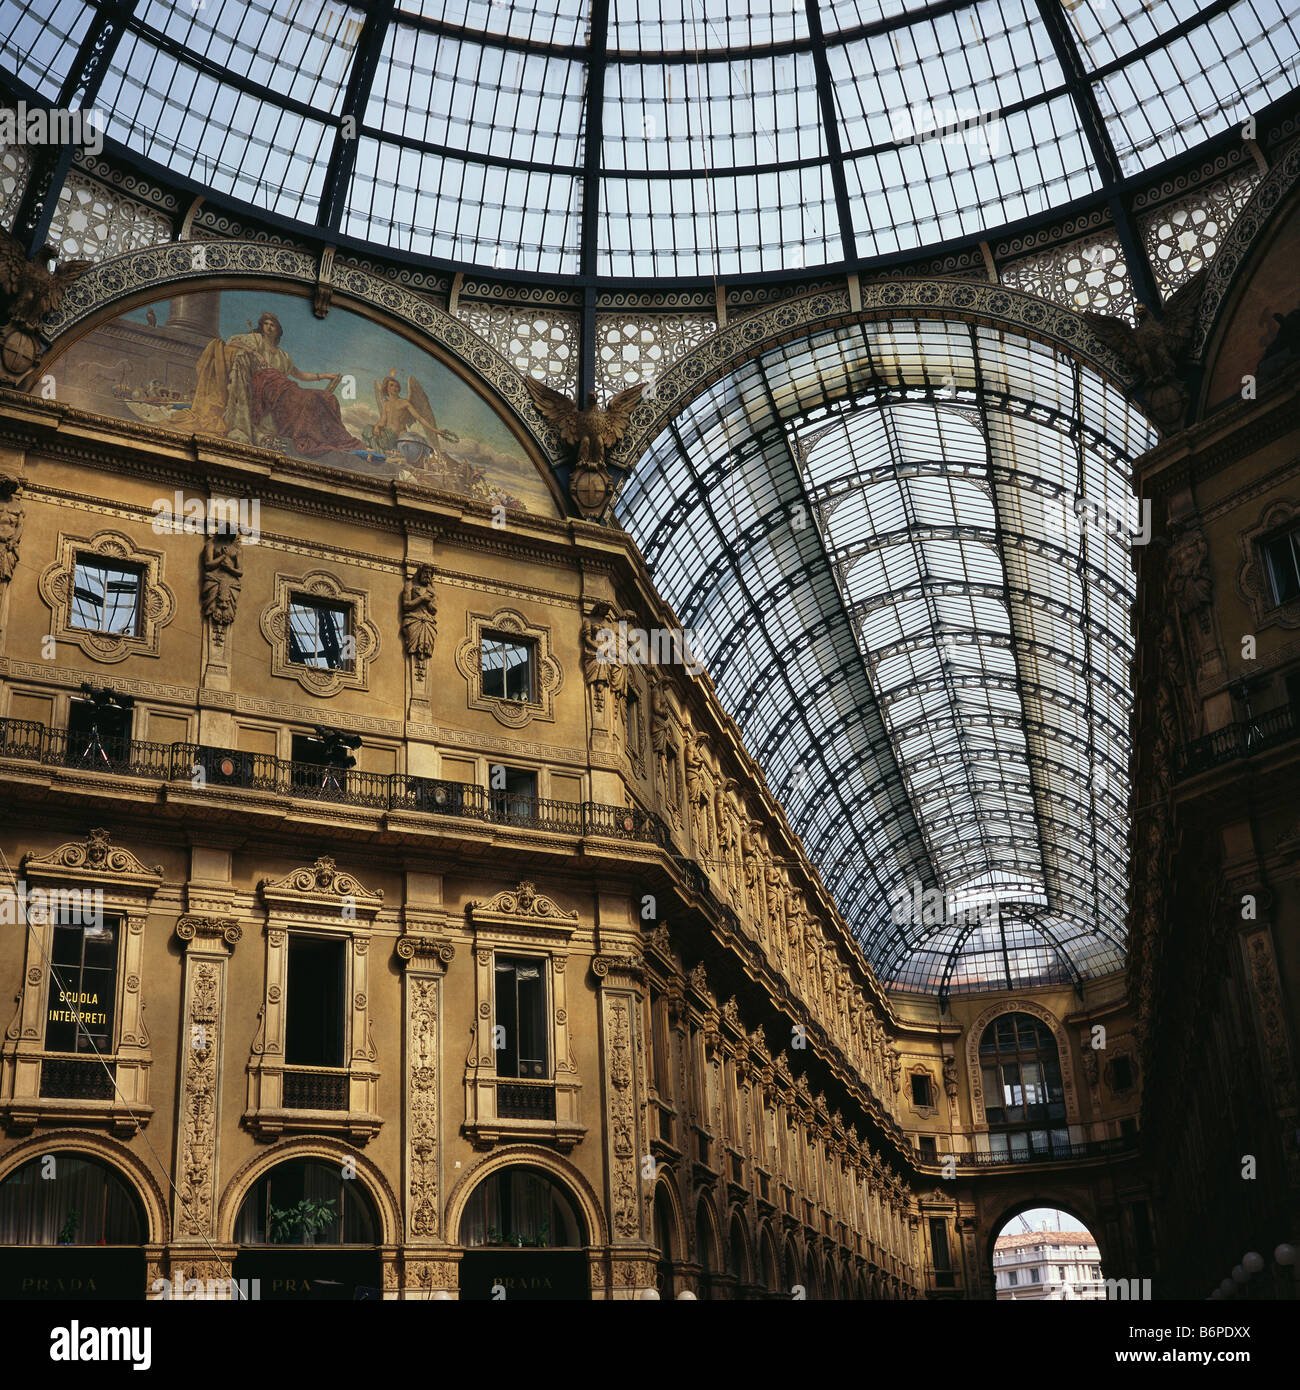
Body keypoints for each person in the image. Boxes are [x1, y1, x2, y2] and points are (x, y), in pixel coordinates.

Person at [181, 311, 361, 457]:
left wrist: (324, 376)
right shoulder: (256, 340)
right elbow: (231, 341)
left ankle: (334, 438)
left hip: (285, 389)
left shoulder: (283, 356)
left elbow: (299, 375)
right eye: (266, 323)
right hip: (266, 390)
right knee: (309, 400)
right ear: (262, 327)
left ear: (277, 330)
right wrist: (254, 352)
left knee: (325, 397)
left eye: (272, 324)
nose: (268, 327)